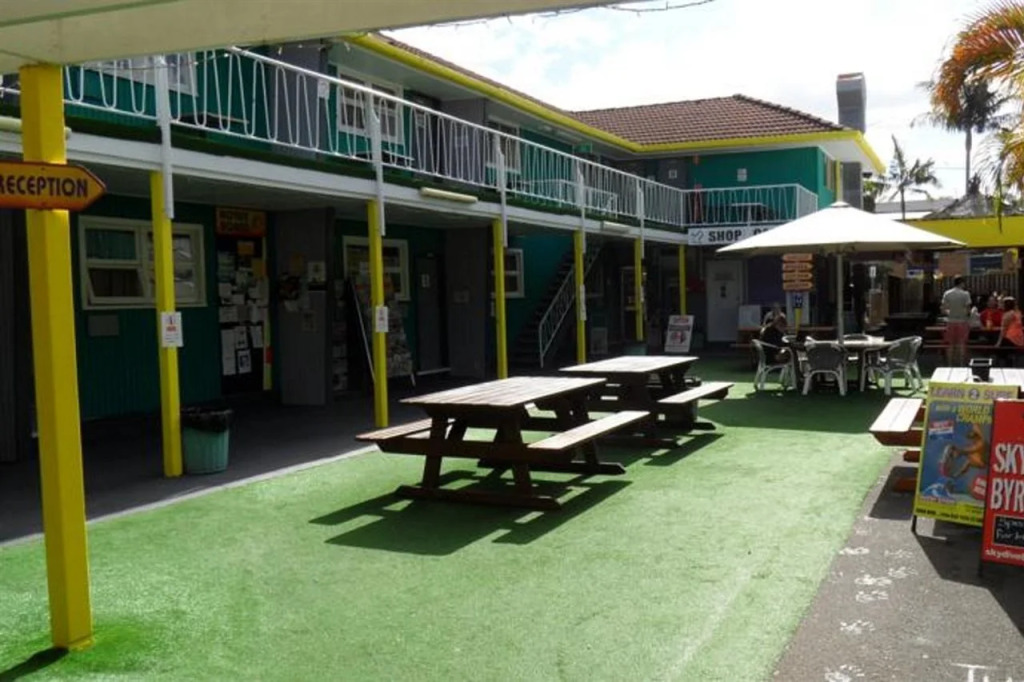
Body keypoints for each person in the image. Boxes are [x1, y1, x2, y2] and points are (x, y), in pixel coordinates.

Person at [940, 275, 972, 367]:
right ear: (962, 283)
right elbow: (968, 310)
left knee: (950, 344)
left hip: (951, 321)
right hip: (962, 321)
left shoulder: (947, 293)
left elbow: (943, 309)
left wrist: (950, 312)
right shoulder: (965, 294)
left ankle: (950, 364)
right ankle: (961, 365)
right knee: (962, 344)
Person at [995, 296, 1024, 366]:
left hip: (1011, 338)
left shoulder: (1007, 315)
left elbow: (1003, 330)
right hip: (1019, 337)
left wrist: (998, 343)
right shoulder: (1018, 313)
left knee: (999, 352)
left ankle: (1004, 365)